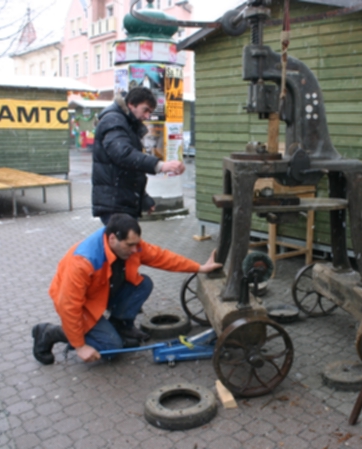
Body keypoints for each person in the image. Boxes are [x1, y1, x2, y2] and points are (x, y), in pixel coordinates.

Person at [32, 213, 222, 365]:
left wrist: (199, 267)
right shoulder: (83, 261)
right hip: (83, 305)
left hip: (104, 292)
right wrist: (80, 346)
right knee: (110, 348)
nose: (134, 250)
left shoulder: (130, 245)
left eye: (136, 244)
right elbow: (69, 306)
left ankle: (119, 326)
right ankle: (50, 332)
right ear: (113, 238)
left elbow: (161, 257)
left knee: (143, 284)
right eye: (130, 245)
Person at [92, 87, 185, 225]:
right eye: (145, 110)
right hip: (114, 203)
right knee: (123, 245)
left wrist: (143, 198)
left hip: (120, 201)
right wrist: (160, 165)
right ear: (131, 104)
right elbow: (123, 154)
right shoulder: (114, 120)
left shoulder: (126, 122)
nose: (147, 116)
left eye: (150, 112)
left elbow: (130, 170)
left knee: (125, 244)